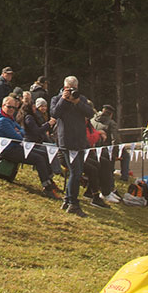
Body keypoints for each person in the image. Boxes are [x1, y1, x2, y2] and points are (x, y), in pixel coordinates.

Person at [0, 93, 58, 194]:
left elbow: (22, 132)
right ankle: (47, 187)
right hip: (8, 150)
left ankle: (50, 181)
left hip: (17, 147)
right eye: (9, 107)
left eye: (13, 107)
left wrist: (18, 131)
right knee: (38, 158)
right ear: (3, 106)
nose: (11, 109)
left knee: (44, 153)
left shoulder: (10, 119)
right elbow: (18, 136)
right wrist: (18, 132)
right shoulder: (1, 121)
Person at [51, 75, 96, 215]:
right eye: (69, 89)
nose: (71, 91)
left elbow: (90, 113)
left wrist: (77, 102)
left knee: (76, 172)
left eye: (74, 89)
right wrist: (64, 100)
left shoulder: (81, 99)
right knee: (76, 173)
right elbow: (54, 113)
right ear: (64, 88)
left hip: (80, 141)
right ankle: (73, 204)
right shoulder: (56, 99)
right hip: (67, 141)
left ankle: (68, 199)